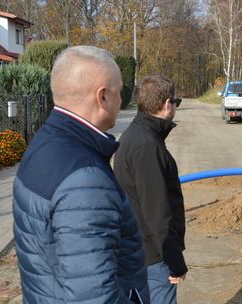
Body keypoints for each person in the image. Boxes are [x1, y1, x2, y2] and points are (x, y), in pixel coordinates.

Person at [13, 46, 149, 303]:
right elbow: (94, 296)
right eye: (120, 92)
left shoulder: (43, 144)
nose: (121, 101)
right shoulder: (84, 180)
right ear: (103, 97)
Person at [114, 75, 187, 304]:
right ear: (167, 104)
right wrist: (175, 263)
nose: (175, 107)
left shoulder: (136, 134)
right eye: (175, 102)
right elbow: (157, 214)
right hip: (153, 256)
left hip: (140, 250)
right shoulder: (147, 145)